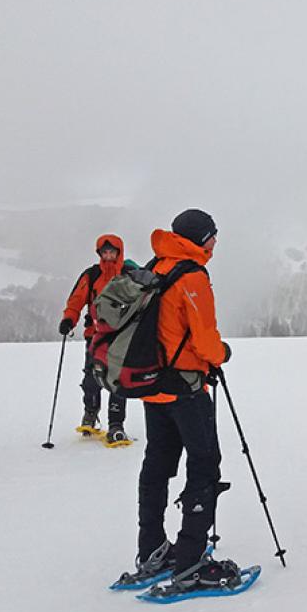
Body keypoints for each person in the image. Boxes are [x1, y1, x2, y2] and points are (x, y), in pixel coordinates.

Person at [113, 208, 237, 590]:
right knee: (204, 464)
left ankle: (152, 548)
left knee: (158, 462)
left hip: (153, 385)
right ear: (201, 238)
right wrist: (222, 354)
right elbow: (203, 338)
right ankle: (190, 561)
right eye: (213, 236)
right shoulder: (192, 276)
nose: (216, 243)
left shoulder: (159, 265)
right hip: (185, 386)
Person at [60, 234, 131, 444]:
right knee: (91, 377)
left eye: (112, 252)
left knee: (118, 381)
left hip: (121, 336)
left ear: (119, 253)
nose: (108, 256)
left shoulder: (129, 275)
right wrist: (68, 319)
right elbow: (76, 300)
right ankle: (90, 413)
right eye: (105, 252)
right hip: (96, 336)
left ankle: (116, 423)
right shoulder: (91, 275)